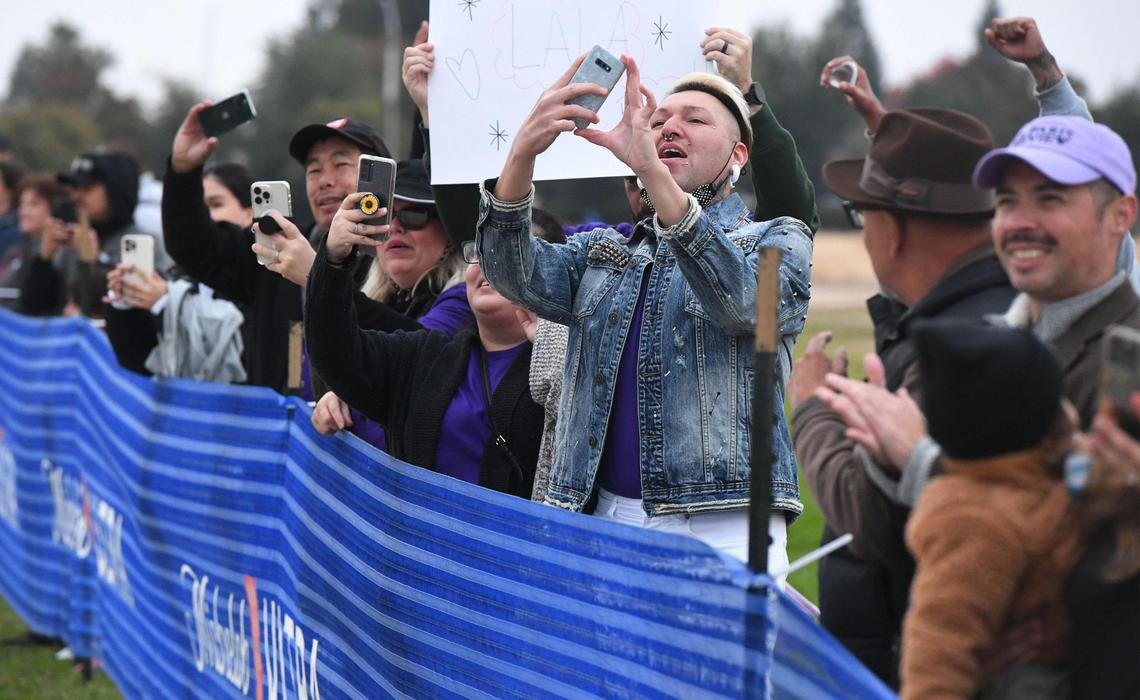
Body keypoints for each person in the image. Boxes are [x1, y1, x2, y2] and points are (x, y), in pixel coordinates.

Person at [476, 53, 813, 567]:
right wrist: (522, 152)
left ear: (739, 154)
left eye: (695, 120)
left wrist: (651, 170)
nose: (670, 127)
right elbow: (509, 272)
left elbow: (746, 306)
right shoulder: (607, 252)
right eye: (659, 122)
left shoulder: (775, 239)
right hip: (597, 517)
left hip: (720, 521)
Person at [162, 103, 472, 395]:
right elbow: (194, 247)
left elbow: (413, 352)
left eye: (341, 164)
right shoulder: (278, 249)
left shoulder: (398, 268)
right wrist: (182, 170)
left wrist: (321, 278)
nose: (325, 181)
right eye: (314, 170)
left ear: (379, 178)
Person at [305, 203, 564, 498]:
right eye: (482, 251)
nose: (490, 262)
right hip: (417, 541)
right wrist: (333, 262)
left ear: (550, 273)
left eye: (512, 250)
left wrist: (556, 345)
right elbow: (335, 352)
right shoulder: (425, 355)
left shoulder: (572, 365)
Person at [900, 320, 1078, 700]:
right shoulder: (974, 520)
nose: (1072, 412)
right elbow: (941, 640)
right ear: (1033, 426)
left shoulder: (1037, 479)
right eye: (1058, 402)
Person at [103, 162, 255, 382]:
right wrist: (127, 306)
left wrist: (169, 304)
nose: (204, 217)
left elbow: (247, 356)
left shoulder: (268, 276)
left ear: (248, 213)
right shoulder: (175, 277)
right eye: (199, 209)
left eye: (215, 204)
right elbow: (140, 362)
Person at [19, 152, 171, 318]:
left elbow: (137, 312)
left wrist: (93, 264)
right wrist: (44, 259)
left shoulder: (144, 243)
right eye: (75, 188)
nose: (77, 196)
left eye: (87, 188)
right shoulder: (71, 239)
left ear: (115, 190)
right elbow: (33, 306)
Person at [0, 175, 69, 308]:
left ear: (54, 208)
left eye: (33, 204)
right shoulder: (17, 249)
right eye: (22, 204)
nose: (23, 212)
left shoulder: (64, 252)